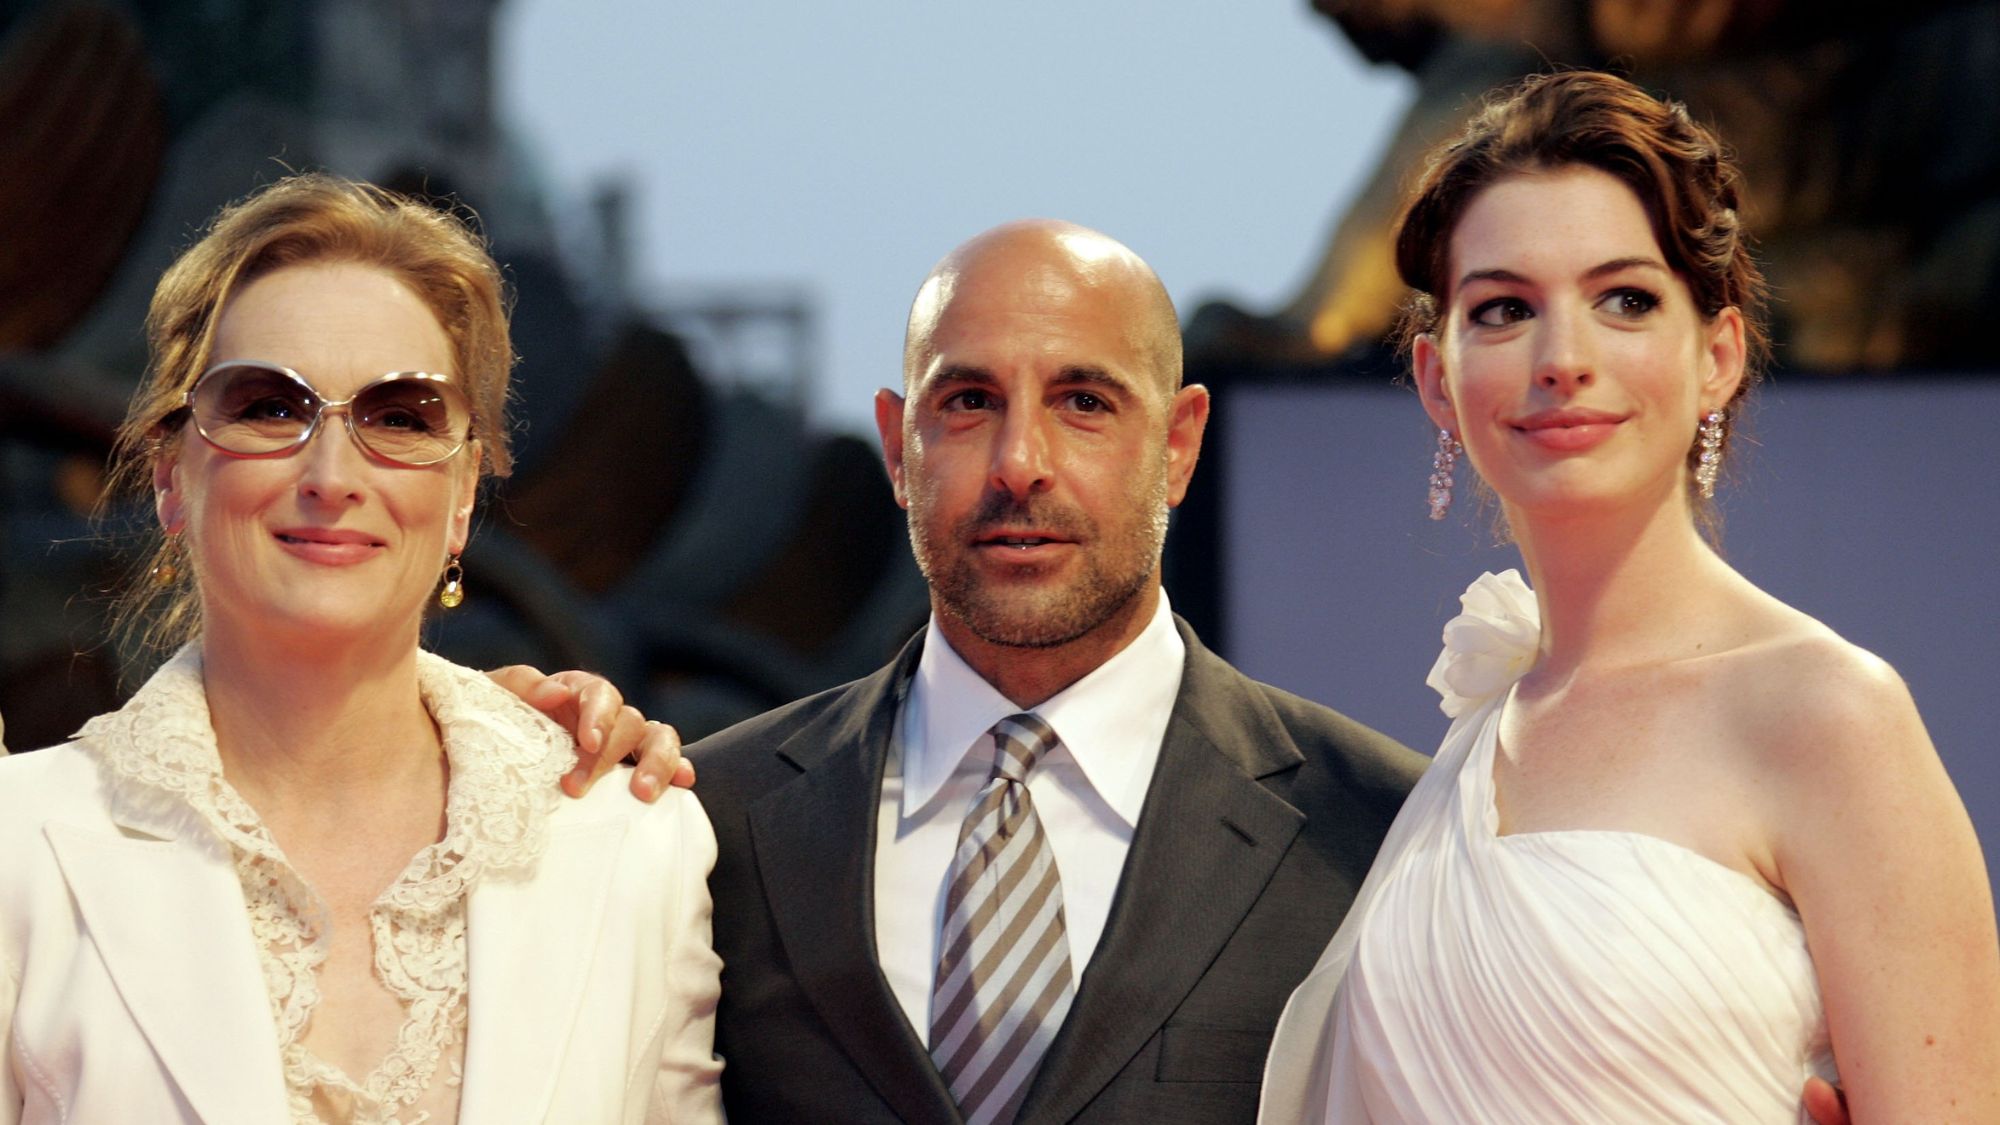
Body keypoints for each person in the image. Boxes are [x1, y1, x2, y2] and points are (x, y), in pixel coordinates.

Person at [1259, 70, 2000, 1122]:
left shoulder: (1827, 714)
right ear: (1435, 380)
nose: (1563, 358)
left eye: (1624, 301)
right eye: (1504, 309)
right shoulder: (1472, 743)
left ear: (1717, 355)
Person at [0, 174, 723, 1123]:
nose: (332, 474)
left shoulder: (636, 845)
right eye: (270, 406)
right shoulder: (19, 848)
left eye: (400, 416)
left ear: (463, 495)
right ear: (172, 475)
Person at [678, 219, 1425, 1123]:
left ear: (1179, 445)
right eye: (969, 402)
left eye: (1083, 402)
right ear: (897, 448)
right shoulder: (707, 820)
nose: (1020, 464)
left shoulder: (1383, 831)